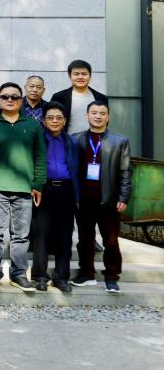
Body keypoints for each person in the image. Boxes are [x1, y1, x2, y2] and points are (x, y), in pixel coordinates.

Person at [0, 82, 46, 292]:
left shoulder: (33, 125)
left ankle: (18, 274)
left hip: (24, 189)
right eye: (5, 96)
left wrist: (38, 184)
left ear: (21, 100)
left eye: (15, 97)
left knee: (21, 236)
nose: (10, 100)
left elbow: (40, 156)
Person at [70, 101, 131, 293]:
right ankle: (86, 273)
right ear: (87, 115)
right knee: (85, 240)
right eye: (94, 113)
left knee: (111, 241)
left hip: (109, 199)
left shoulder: (120, 141)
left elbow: (126, 171)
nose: (98, 116)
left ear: (108, 116)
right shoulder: (76, 139)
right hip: (84, 199)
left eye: (102, 113)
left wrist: (124, 197)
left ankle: (111, 276)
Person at [30, 102, 80, 293]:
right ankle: (40, 276)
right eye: (50, 117)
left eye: (59, 118)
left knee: (64, 236)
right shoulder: (38, 140)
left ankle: (62, 277)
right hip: (43, 190)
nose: (54, 121)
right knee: (41, 234)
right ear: (43, 121)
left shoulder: (72, 142)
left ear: (64, 121)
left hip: (66, 191)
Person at [50, 59, 108, 136]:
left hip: (95, 141)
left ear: (90, 76)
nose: (80, 77)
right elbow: (51, 122)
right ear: (70, 76)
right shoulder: (59, 97)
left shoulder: (101, 98)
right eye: (76, 74)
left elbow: (105, 121)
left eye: (84, 74)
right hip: (68, 141)